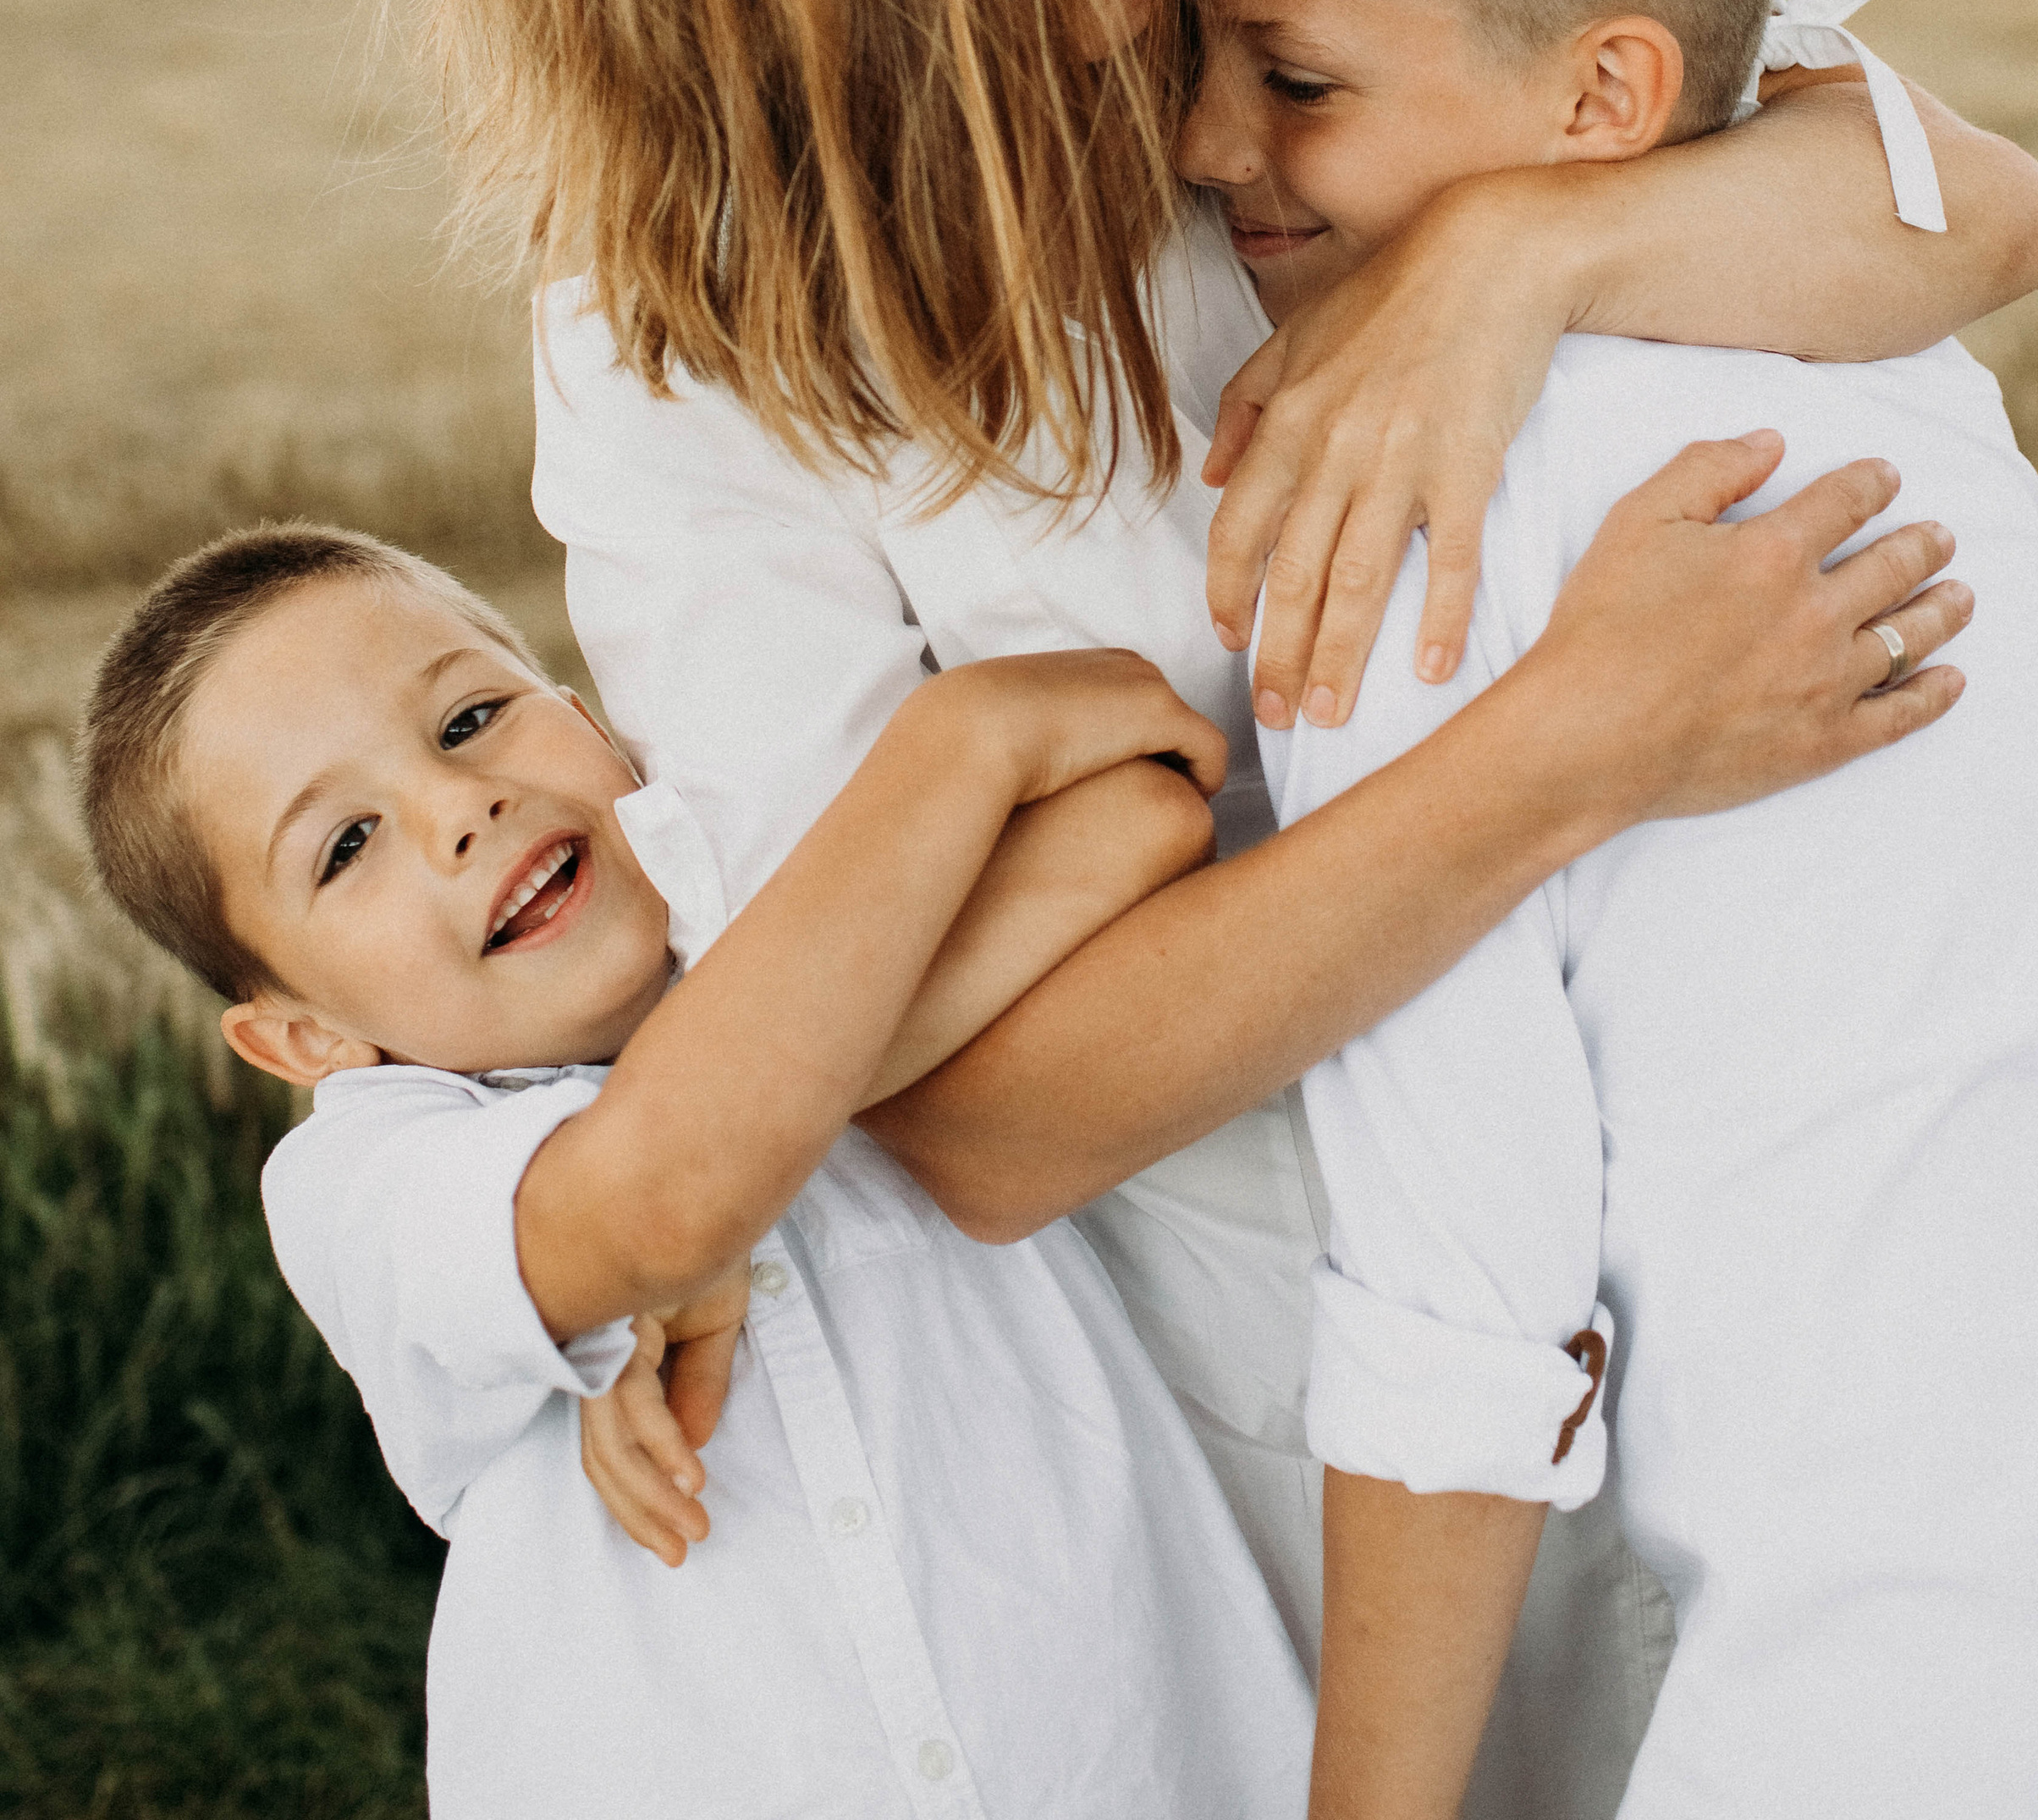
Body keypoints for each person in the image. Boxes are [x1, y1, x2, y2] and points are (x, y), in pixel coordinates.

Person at [434, 0, 2038, 1790]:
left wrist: (1524, 261)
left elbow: (1966, 202)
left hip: (1763, 1281)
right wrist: (1583, 742)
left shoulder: (1276, 12)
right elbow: (974, 1110)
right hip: (1307, 1402)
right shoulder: (684, 346)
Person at [1178, 0, 2038, 1820]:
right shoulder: (1890, 355)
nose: (1204, 134)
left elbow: (1459, 1304)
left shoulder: (1418, 507)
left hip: (1881, 1693)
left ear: (1604, 97)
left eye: (1296, 80)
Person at [77, 524, 1317, 1819]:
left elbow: (1144, 809)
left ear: (590, 722)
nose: (459, 809)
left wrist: (964, 740)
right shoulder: (367, 1176)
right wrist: (957, 764)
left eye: (471, 720)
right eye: (345, 845)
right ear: (303, 1040)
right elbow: (660, 1200)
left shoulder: (798, 910)